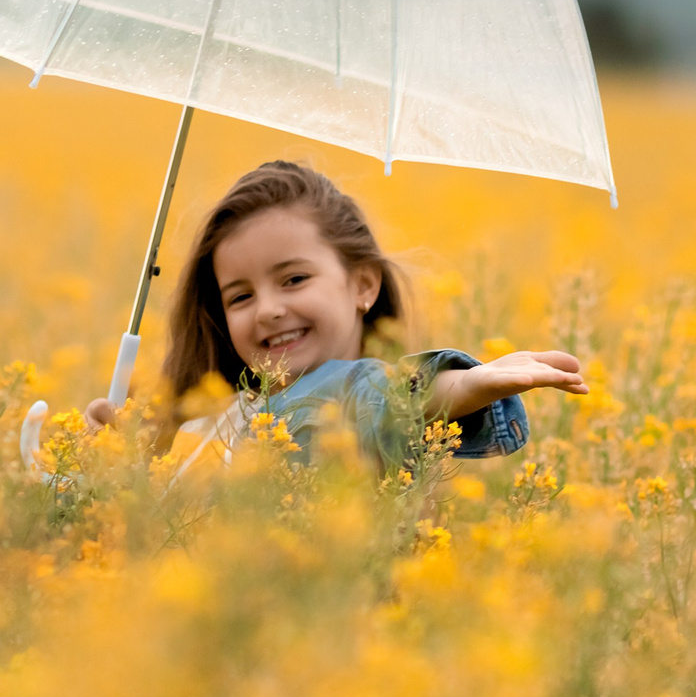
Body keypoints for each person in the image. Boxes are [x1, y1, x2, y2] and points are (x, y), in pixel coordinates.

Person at [84, 160, 585, 475]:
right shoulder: (210, 420)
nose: (269, 309)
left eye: (294, 279)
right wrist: (105, 465)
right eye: (239, 297)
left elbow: (383, 400)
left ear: (363, 285)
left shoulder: (345, 407)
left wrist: (467, 387)